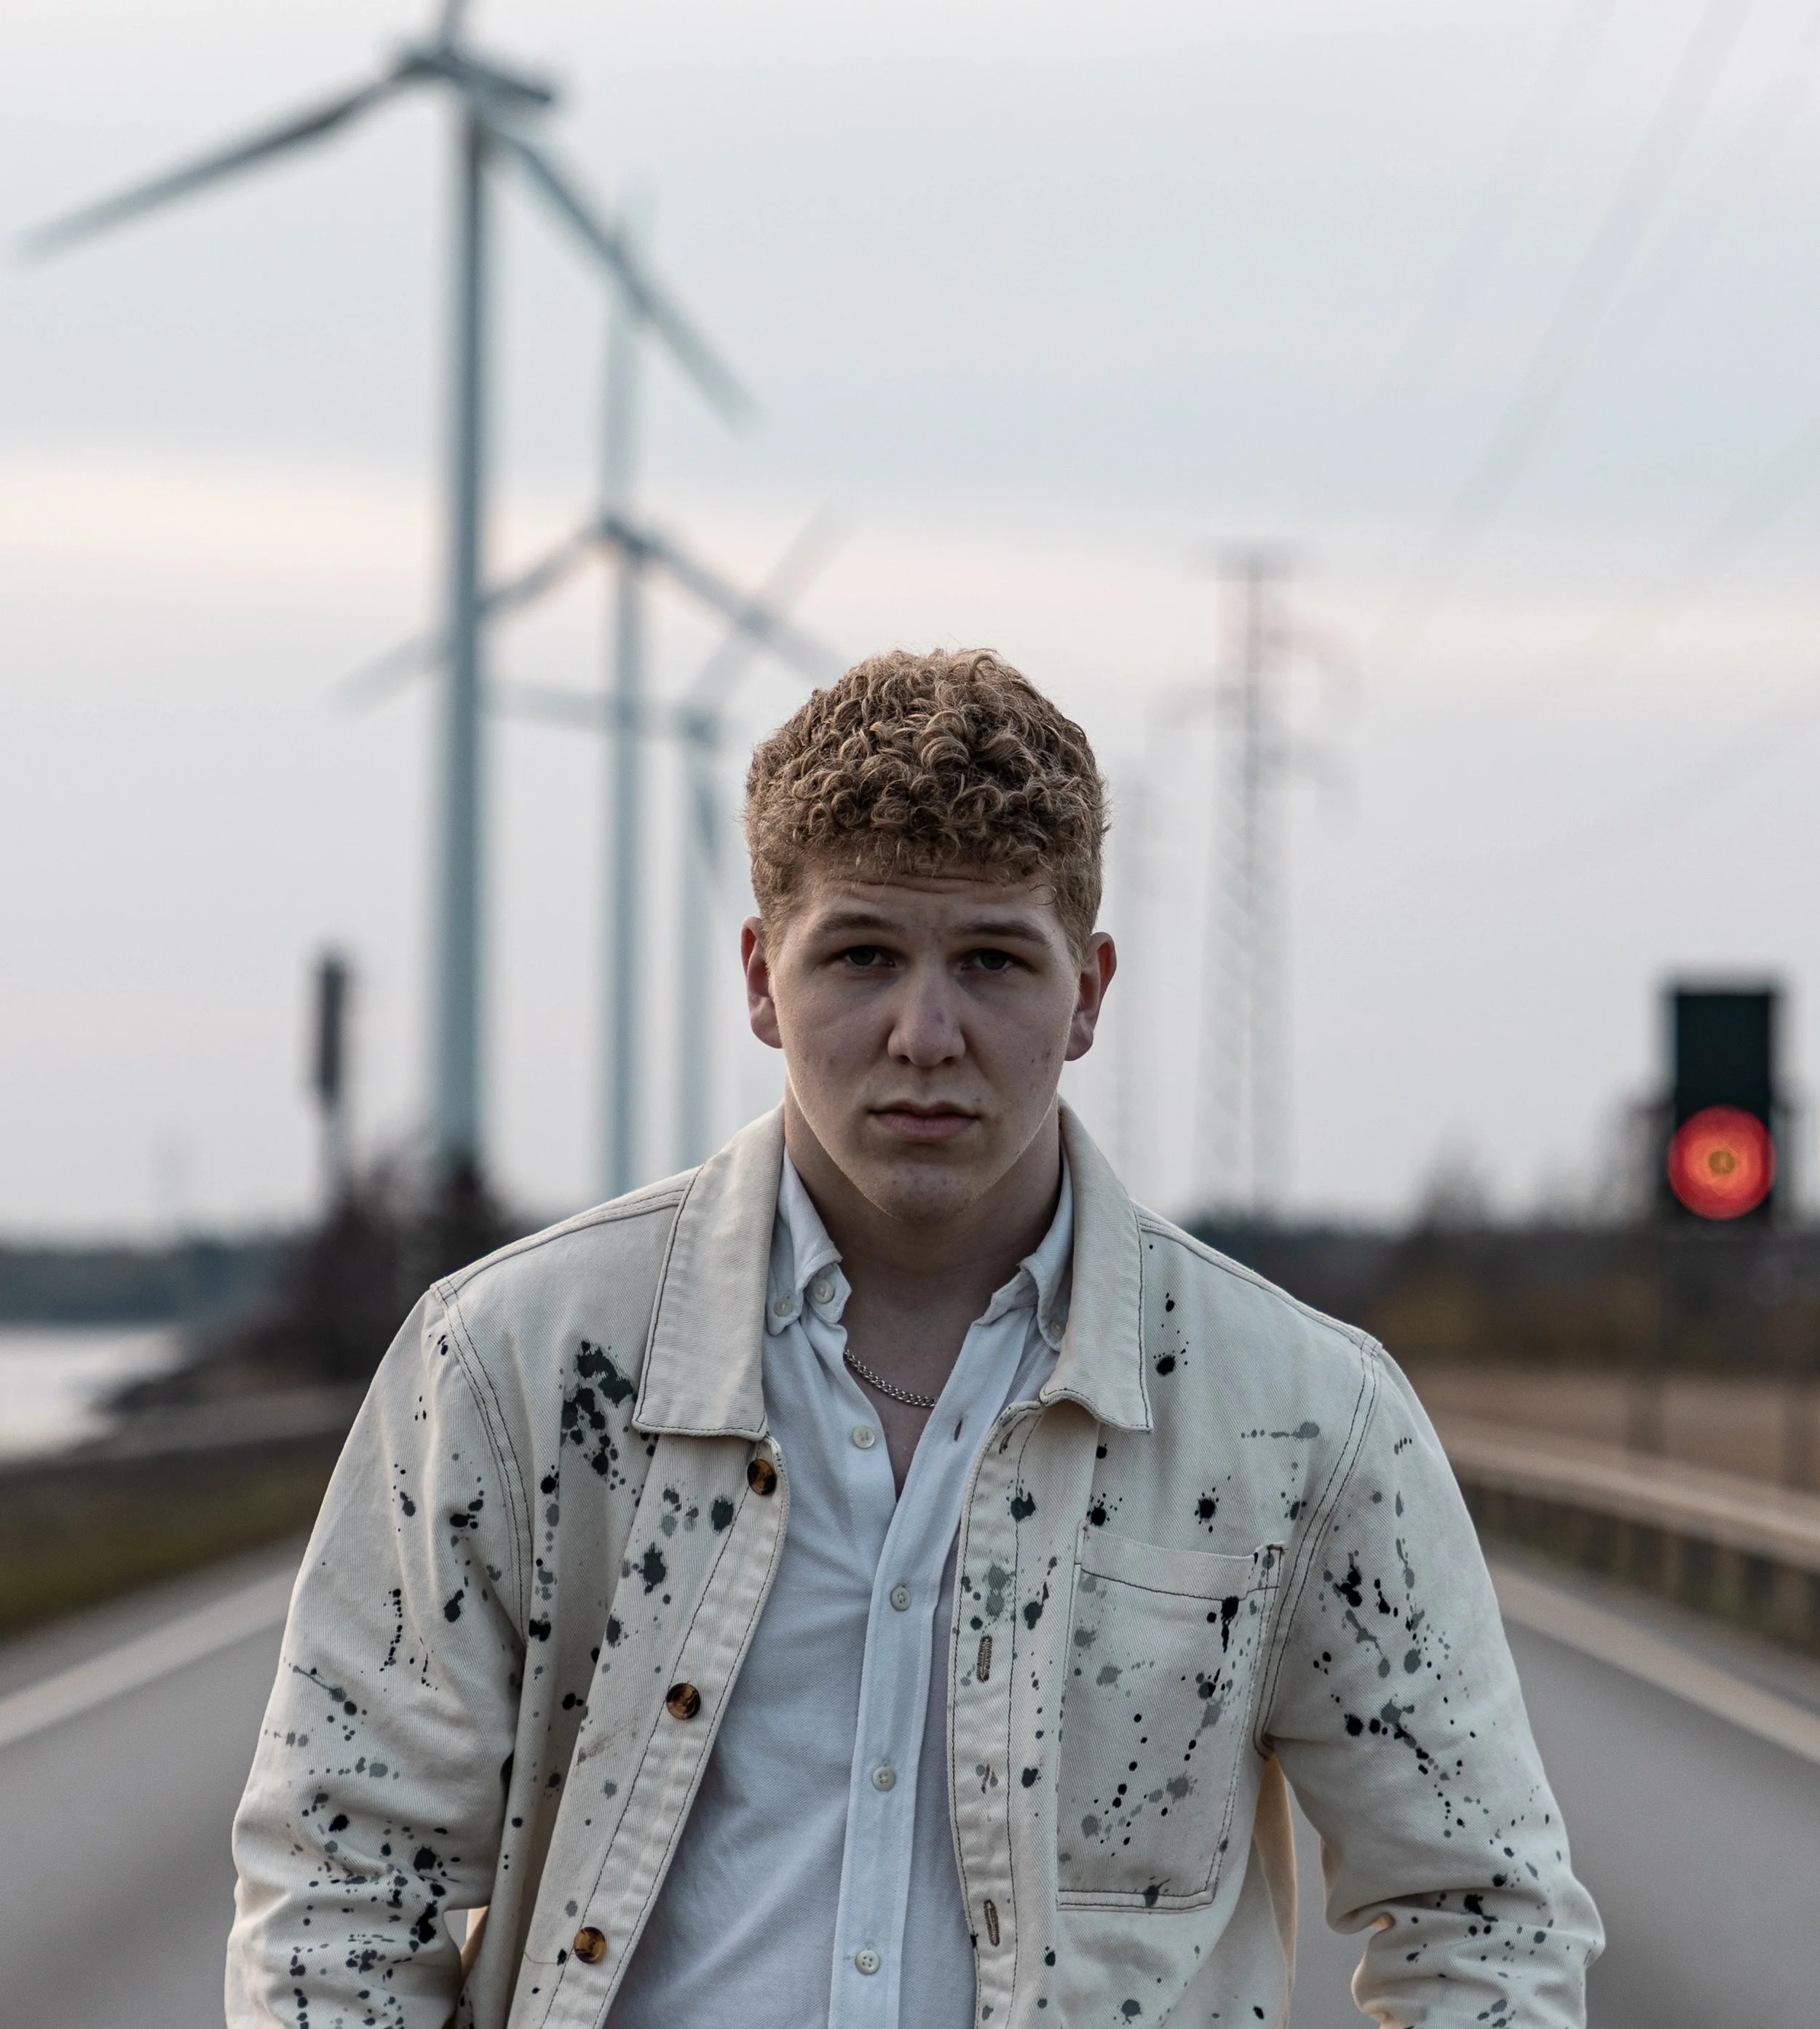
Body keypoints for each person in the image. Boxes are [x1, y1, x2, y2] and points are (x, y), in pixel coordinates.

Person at [227, 646, 1599, 2029]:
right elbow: (344, 1889)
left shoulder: (1302, 1414)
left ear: (1089, 992)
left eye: (994, 961)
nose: (925, 1032)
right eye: (863, 955)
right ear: (764, 976)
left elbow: (1483, 1917)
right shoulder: (518, 1364)